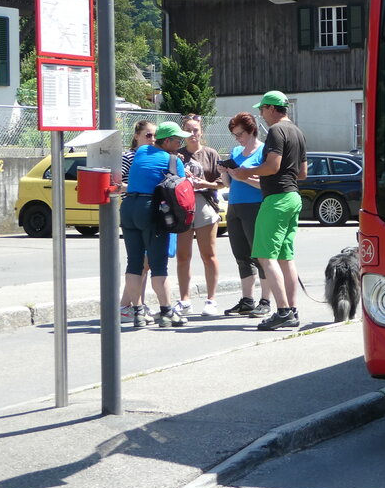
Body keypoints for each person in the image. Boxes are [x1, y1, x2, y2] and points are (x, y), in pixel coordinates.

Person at [228, 90, 307, 331]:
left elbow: (272, 166)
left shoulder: (276, 131)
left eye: (262, 109)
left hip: (276, 199)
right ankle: (292, 310)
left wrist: (246, 173)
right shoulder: (297, 131)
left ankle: (282, 311)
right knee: (285, 257)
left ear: (272, 108)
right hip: (293, 196)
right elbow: (302, 173)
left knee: (265, 256)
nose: (261, 114)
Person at [117, 121, 190, 327]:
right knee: (158, 265)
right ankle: (167, 312)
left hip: (129, 207)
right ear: (166, 141)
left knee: (134, 263)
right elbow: (181, 190)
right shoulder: (174, 161)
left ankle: (138, 313)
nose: (180, 144)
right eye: (178, 140)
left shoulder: (141, 152)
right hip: (150, 210)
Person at [219, 111, 274, 317]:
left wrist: (244, 177)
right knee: (241, 255)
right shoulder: (236, 152)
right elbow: (228, 184)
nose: (237, 138)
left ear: (251, 131)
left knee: (260, 254)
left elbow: (265, 185)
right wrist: (225, 172)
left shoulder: (263, 151)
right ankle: (247, 300)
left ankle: (265, 300)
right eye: (234, 135)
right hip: (234, 205)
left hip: (255, 206)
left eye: (240, 134)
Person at [174, 116, 222, 317]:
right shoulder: (177, 155)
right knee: (183, 255)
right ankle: (185, 300)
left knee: (208, 255)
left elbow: (221, 182)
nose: (192, 134)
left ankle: (211, 300)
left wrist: (205, 184)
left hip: (205, 206)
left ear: (201, 131)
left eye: (196, 130)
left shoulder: (211, 154)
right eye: (188, 130)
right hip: (182, 207)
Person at [118, 120, 157, 324]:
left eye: (155, 135)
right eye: (148, 135)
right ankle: (127, 306)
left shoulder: (154, 156)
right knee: (139, 262)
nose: (152, 139)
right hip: (133, 210)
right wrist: (138, 187)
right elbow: (117, 184)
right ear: (137, 136)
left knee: (146, 263)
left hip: (149, 212)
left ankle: (136, 304)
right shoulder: (128, 157)